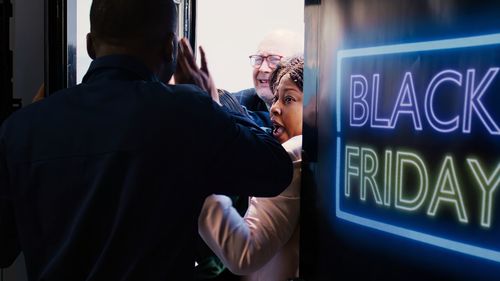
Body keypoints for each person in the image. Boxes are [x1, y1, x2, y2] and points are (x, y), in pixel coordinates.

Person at [0, 1, 294, 280]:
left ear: (89, 45)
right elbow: (275, 170)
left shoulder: (21, 129)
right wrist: (212, 101)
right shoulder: (188, 114)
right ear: (170, 48)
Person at [199, 57, 304, 281]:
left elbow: (244, 255)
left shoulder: (294, 153)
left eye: (288, 99)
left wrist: (196, 187)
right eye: (276, 98)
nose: (274, 108)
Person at [233, 29, 303, 129]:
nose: (263, 68)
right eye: (258, 59)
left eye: (274, 60)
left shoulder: (314, 114)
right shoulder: (234, 105)